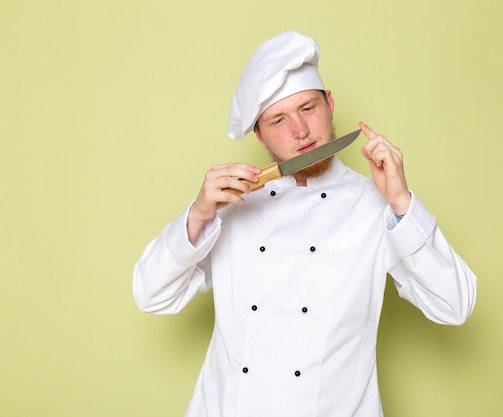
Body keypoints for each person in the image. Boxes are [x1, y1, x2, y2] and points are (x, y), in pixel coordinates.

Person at [133, 30, 477, 417]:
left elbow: (456, 305)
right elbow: (150, 295)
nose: (300, 132)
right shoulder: (230, 204)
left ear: (330, 103)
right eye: (278, 119)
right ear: (260, 136)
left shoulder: (375, 206)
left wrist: (402, 202)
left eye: (308, 108)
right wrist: (197, 215)